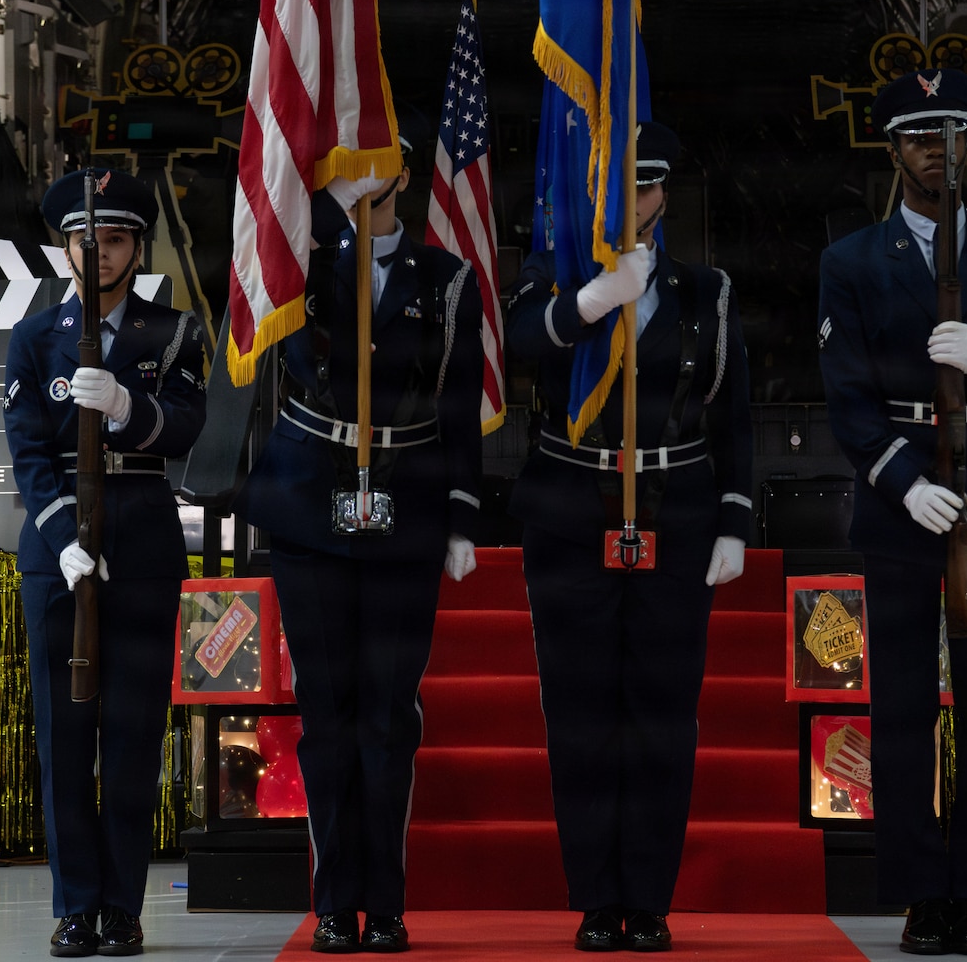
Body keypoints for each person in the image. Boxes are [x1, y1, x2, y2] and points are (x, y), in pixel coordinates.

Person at [816, 70, 967, 956]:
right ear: (894, 149)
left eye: (950, 132)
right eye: (918, 135)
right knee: (905, 709)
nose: (936, 149)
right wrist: (900, 480)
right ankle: (921, 893)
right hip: (900, 505)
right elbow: (846, 400)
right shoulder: (848, 264)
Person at [503, 120, 752, 954]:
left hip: (674, 510)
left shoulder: (705, 290)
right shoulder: (552, 274)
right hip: (573, 509)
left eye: (645, 185)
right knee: (579, 715)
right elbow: (512, 345)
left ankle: (647, 896)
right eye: (616, 186)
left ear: (663, 194)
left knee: (661, 718)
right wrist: (586, 304)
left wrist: (735, 517)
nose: (632, 201)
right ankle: (595, 898)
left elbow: (734, 415)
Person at [234, 141, 486, 955]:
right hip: (311, 503)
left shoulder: (444, 280)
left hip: (406, 504)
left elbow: (456, 397)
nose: (363, 181)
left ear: (405, 176)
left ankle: (387, 901)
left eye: (379, 166)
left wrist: (459, 514)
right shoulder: (298, 267)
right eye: (349, 168)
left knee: (389, 717)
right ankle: (335, 900)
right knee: (326, 716)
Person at [3, 166, 208, 958]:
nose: (100, 255)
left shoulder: (175, 332)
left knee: (131, 738)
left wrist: (129, 409)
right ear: (64, 251)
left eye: (115, 240)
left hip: (145, 533)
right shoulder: (32, 336)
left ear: (136, 247)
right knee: (63, 737)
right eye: (86, 241)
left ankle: (122, 907)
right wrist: (65, 544)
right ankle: (73, 906)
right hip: (62, 549)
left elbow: (190, 426)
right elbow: (28, 454)